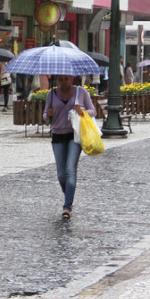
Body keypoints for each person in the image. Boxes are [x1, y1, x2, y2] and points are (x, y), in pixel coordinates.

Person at [43, 74, 97, 220]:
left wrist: (82, 111)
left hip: (75, 136)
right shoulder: (52, 94)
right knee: (61, 174)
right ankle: (69, 196)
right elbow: (45, 116)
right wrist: (48, 115)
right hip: (58, 136)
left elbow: (94, 111)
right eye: (60, 80)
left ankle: (67, 207)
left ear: (71, 79)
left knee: (70, 169)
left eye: (66, 79)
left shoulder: (81, 92)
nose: (63, 82)